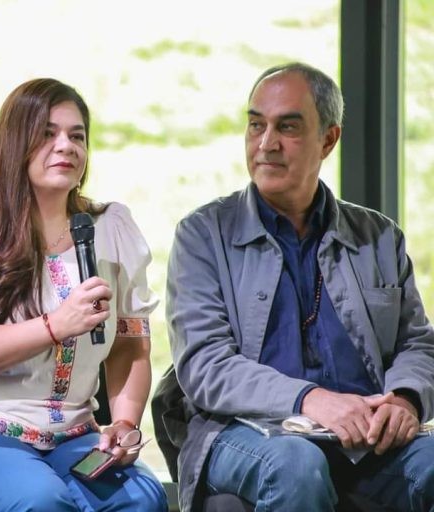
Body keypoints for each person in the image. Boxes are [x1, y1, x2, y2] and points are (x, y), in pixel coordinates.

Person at [159, 62, 434, 512]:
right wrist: (310, 400)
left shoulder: (380, 236)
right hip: (244, 431)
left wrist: (405, 399)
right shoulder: (202, 235)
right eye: (256, 125)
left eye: (287, 127)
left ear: (328, 139)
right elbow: (205, 365)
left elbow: (417, 343)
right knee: (297, 465)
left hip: (365, 436)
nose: (266, 143)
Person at [0, 78, 168, 511]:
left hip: (69, 438)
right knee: (39, 501)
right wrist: (55, 325)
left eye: (77, 136)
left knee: (140, 498)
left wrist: (124, 422)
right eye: (47, 134)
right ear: (14, 143)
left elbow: (129, 346)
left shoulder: (110, 230)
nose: (66, 146)